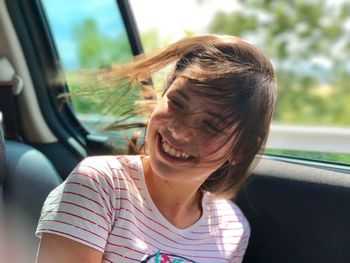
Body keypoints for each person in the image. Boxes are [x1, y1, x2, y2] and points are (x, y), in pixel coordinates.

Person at [35, 34, 276, 263]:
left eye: (211, 125)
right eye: (177, 103)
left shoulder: (232, 227)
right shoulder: (100, 185)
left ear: (241, 151)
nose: (180, 131)